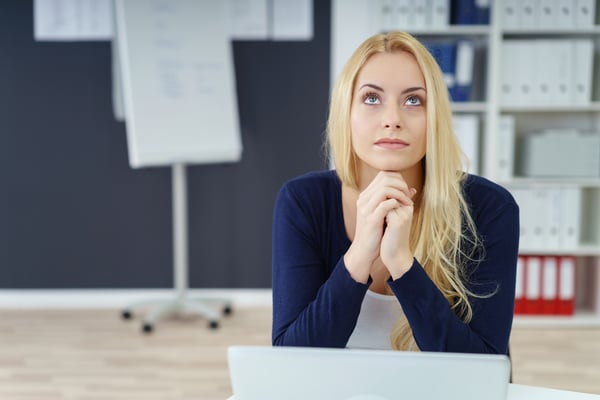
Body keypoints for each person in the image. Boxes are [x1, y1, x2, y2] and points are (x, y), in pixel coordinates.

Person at [271, 31, 519, 354]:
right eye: (372, 98)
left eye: (413, 100)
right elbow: (292, 358)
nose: (392, 120)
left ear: (435, 119)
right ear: (346, 113)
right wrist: (359, 254)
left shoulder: (490, 209)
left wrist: (402, 265)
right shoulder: (302, 203)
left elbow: (483, 366)